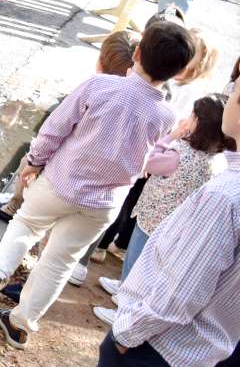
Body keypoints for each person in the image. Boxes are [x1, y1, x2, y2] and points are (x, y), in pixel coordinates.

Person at [0, 21, 196, 350]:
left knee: (26, 223)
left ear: (136, 53)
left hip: (63, 180)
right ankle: (21, 324)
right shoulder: (164, 115)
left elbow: (56, 127)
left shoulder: (100, 86)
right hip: (105, 201)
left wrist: (35, 161)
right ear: (178, 73)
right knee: (61, 261)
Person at [97, 82, 240, 367]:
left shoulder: (224, 196)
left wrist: (125, 336)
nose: (231, 89)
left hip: (158, 347)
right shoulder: (222, 175)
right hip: (200, 349)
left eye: (237, 89)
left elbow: (182, 292)